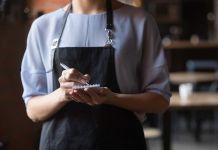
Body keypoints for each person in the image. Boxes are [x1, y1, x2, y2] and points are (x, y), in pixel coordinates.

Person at [20, 0, 171, 149]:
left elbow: (160, 101)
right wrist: (62, 94)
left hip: (122, 141)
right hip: (58, 144)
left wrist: (114, 98)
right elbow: (33, 111)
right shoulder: (43, 26)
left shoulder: (140, 21)